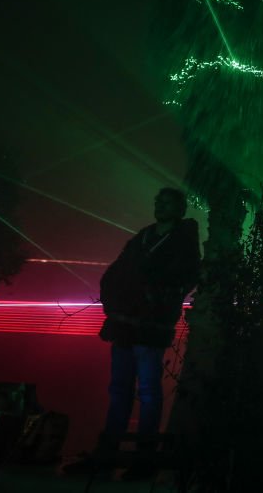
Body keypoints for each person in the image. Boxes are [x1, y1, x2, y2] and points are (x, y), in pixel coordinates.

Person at [67, 188, 200, 481]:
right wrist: (115, 301)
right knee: (124, 390)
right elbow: (118, 272)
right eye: (158, 202)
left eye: (166, 202)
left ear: (179, 208)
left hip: (147, 326)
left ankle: (138, 460)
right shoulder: (147, 236)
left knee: (143, 391)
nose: (159, 206)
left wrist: (153, 298)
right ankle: (117, 457)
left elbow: (186, 276)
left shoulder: (177, 240)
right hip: (129, 324)